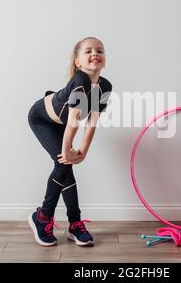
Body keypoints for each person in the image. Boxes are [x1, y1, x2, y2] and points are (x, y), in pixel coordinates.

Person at [27, 37, 112, 246]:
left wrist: (82, 152)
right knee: (63, 164)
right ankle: (43, 217)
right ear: (78, 62)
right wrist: (68, 154)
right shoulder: (80, 80)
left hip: (62, 125)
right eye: (88, 51)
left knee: (67, 168)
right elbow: (74, 120)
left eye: (99, 50)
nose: (95, 54)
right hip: (42, 119)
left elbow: (91, 122)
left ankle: (74, 225)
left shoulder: (105, 86)